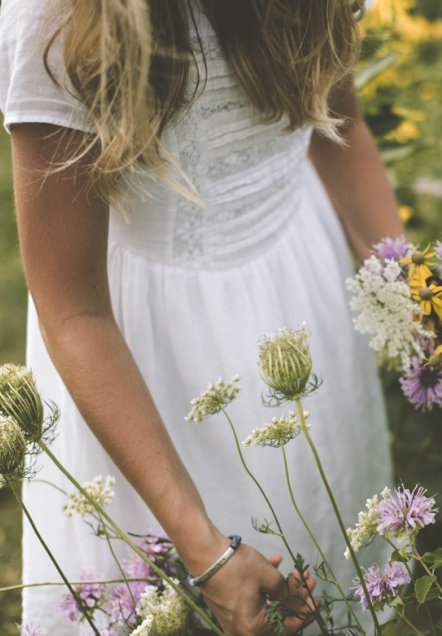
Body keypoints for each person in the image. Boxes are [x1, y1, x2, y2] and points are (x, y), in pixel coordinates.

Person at [0, 0, 402, 632]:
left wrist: (415, 297)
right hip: (148, 363)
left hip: (304, 288)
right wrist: (208, 555)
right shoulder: (60, 17)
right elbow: (72, 307)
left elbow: (337, 123)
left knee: (328, 549)